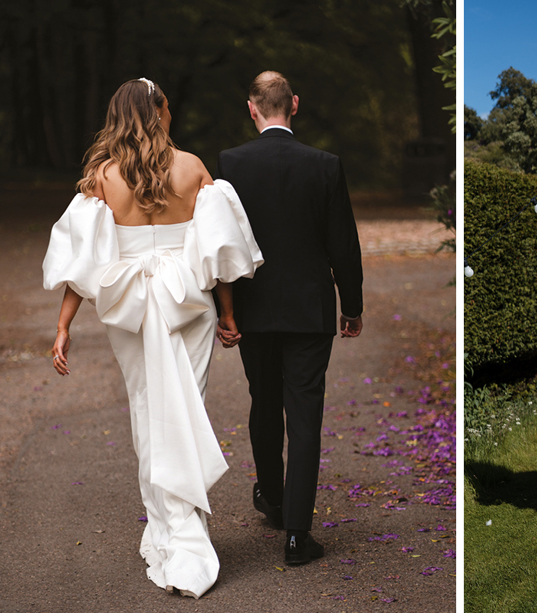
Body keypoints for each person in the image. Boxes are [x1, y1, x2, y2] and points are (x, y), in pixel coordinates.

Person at [42, 78, 263, 597]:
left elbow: (82, 261)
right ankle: (186, 535)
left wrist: (63, 325)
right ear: (160, 110)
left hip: (131, 311)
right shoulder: (192, 169)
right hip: (188, 304)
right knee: (187, 409)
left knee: (148, 413)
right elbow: (216, 255)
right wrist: (228, 313)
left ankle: (168, 533)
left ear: (118, 116)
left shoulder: (102, 176)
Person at [216, 71, 363, 566]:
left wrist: (225, 309)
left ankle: (273, 501)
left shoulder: (230, 164)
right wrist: (353, 304)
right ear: (294, 105)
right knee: (304, 416)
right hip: (309, 310)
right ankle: (298, 534)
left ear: (253, 108)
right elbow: (343, 242)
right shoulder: (325, 166)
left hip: (253, 311)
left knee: (264, 401)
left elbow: (222, 245)